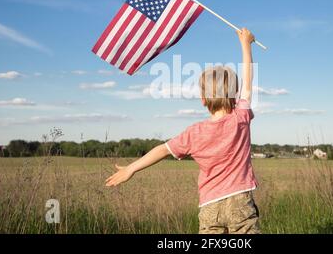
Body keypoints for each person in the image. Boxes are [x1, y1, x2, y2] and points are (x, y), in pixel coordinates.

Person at [105, 28, 260, 234]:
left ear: (203, 100)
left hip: (209, 205)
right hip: (240, 202)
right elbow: (248, 86)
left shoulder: (194, 133)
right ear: (234, 96)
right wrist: (246, 45)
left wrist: (130, 169)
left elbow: (161, 150)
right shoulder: (240, 118)